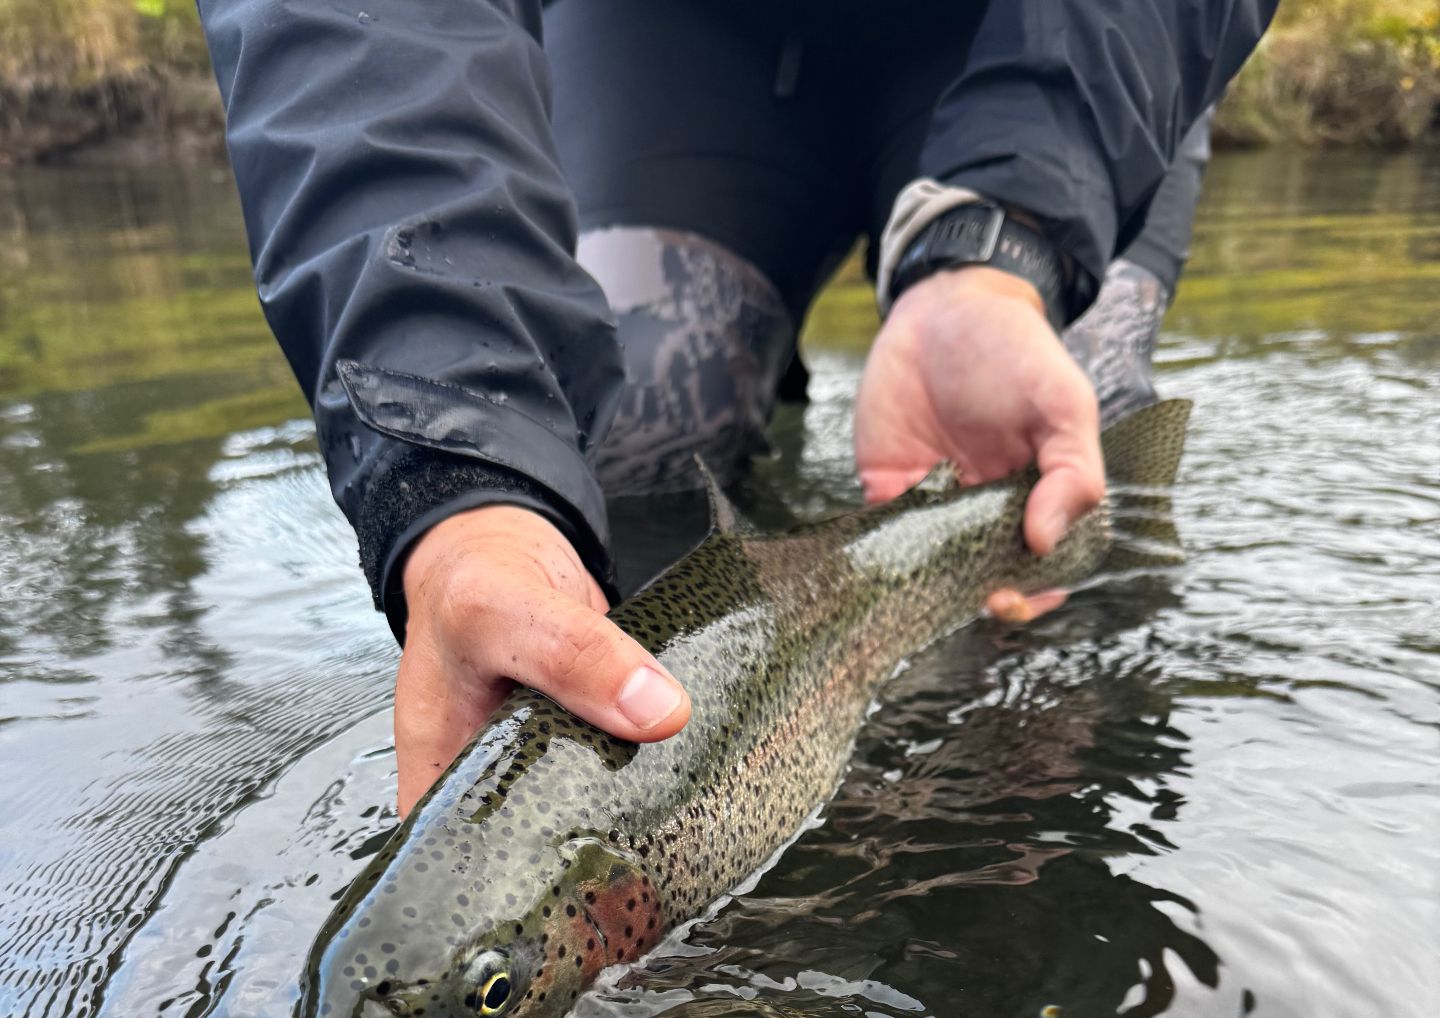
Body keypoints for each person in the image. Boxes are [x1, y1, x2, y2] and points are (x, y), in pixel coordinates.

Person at [197, 0, 1269, 814]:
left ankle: (1017, 810)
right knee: (620, 432)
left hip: (1070, 45)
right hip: (682, 33)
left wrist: (1007, 249)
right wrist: (459, 481)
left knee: (1079, 426)